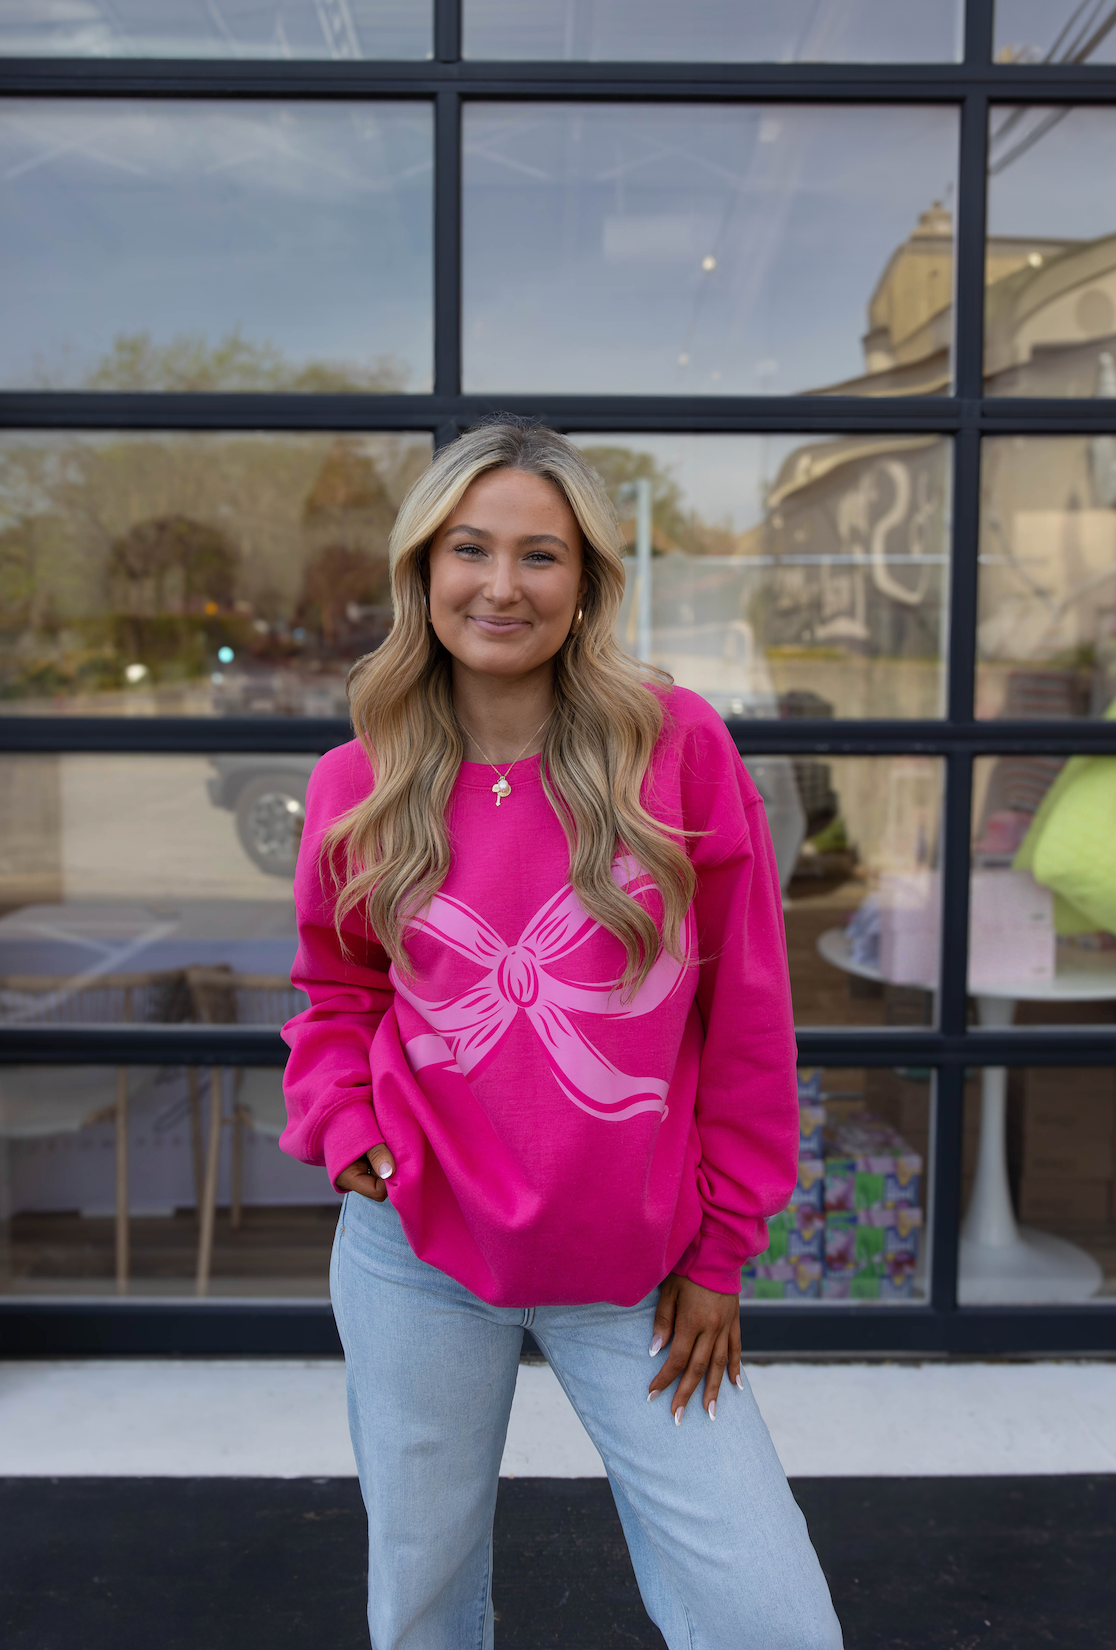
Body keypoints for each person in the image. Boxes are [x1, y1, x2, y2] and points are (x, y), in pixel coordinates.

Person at [280, 420, 842, 1650]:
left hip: (637, 1270)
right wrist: (351, 1134)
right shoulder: (356, 779)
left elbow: (745, 1014)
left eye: (541, 555)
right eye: (469, 548)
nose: (500, 584)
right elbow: (338, 993)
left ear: (585, 580)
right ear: (423, 569)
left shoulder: (676, 746)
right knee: (421, 1599)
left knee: (766, 1611)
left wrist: (721, 1250)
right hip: (416, 1252)